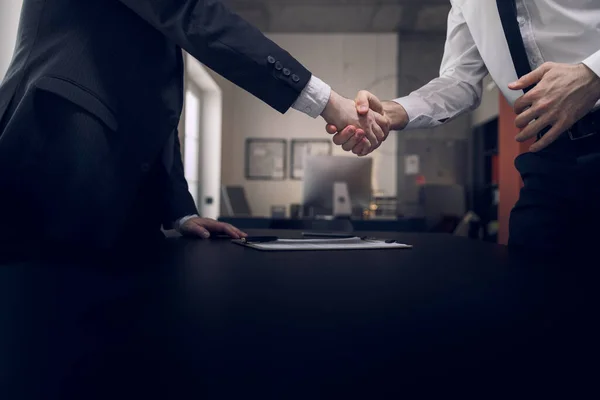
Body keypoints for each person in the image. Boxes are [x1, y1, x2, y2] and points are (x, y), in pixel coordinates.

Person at [0, 0, 389, 252]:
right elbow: (192, 14)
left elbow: (152, 105)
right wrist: (326, 101)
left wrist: (180, 211)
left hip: (116, 211)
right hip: (56, 162)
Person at [328, 0, 600, 252]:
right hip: (553, 156)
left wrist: (591, 74)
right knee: (530, 280)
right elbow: (459, 82)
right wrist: (390, 112)